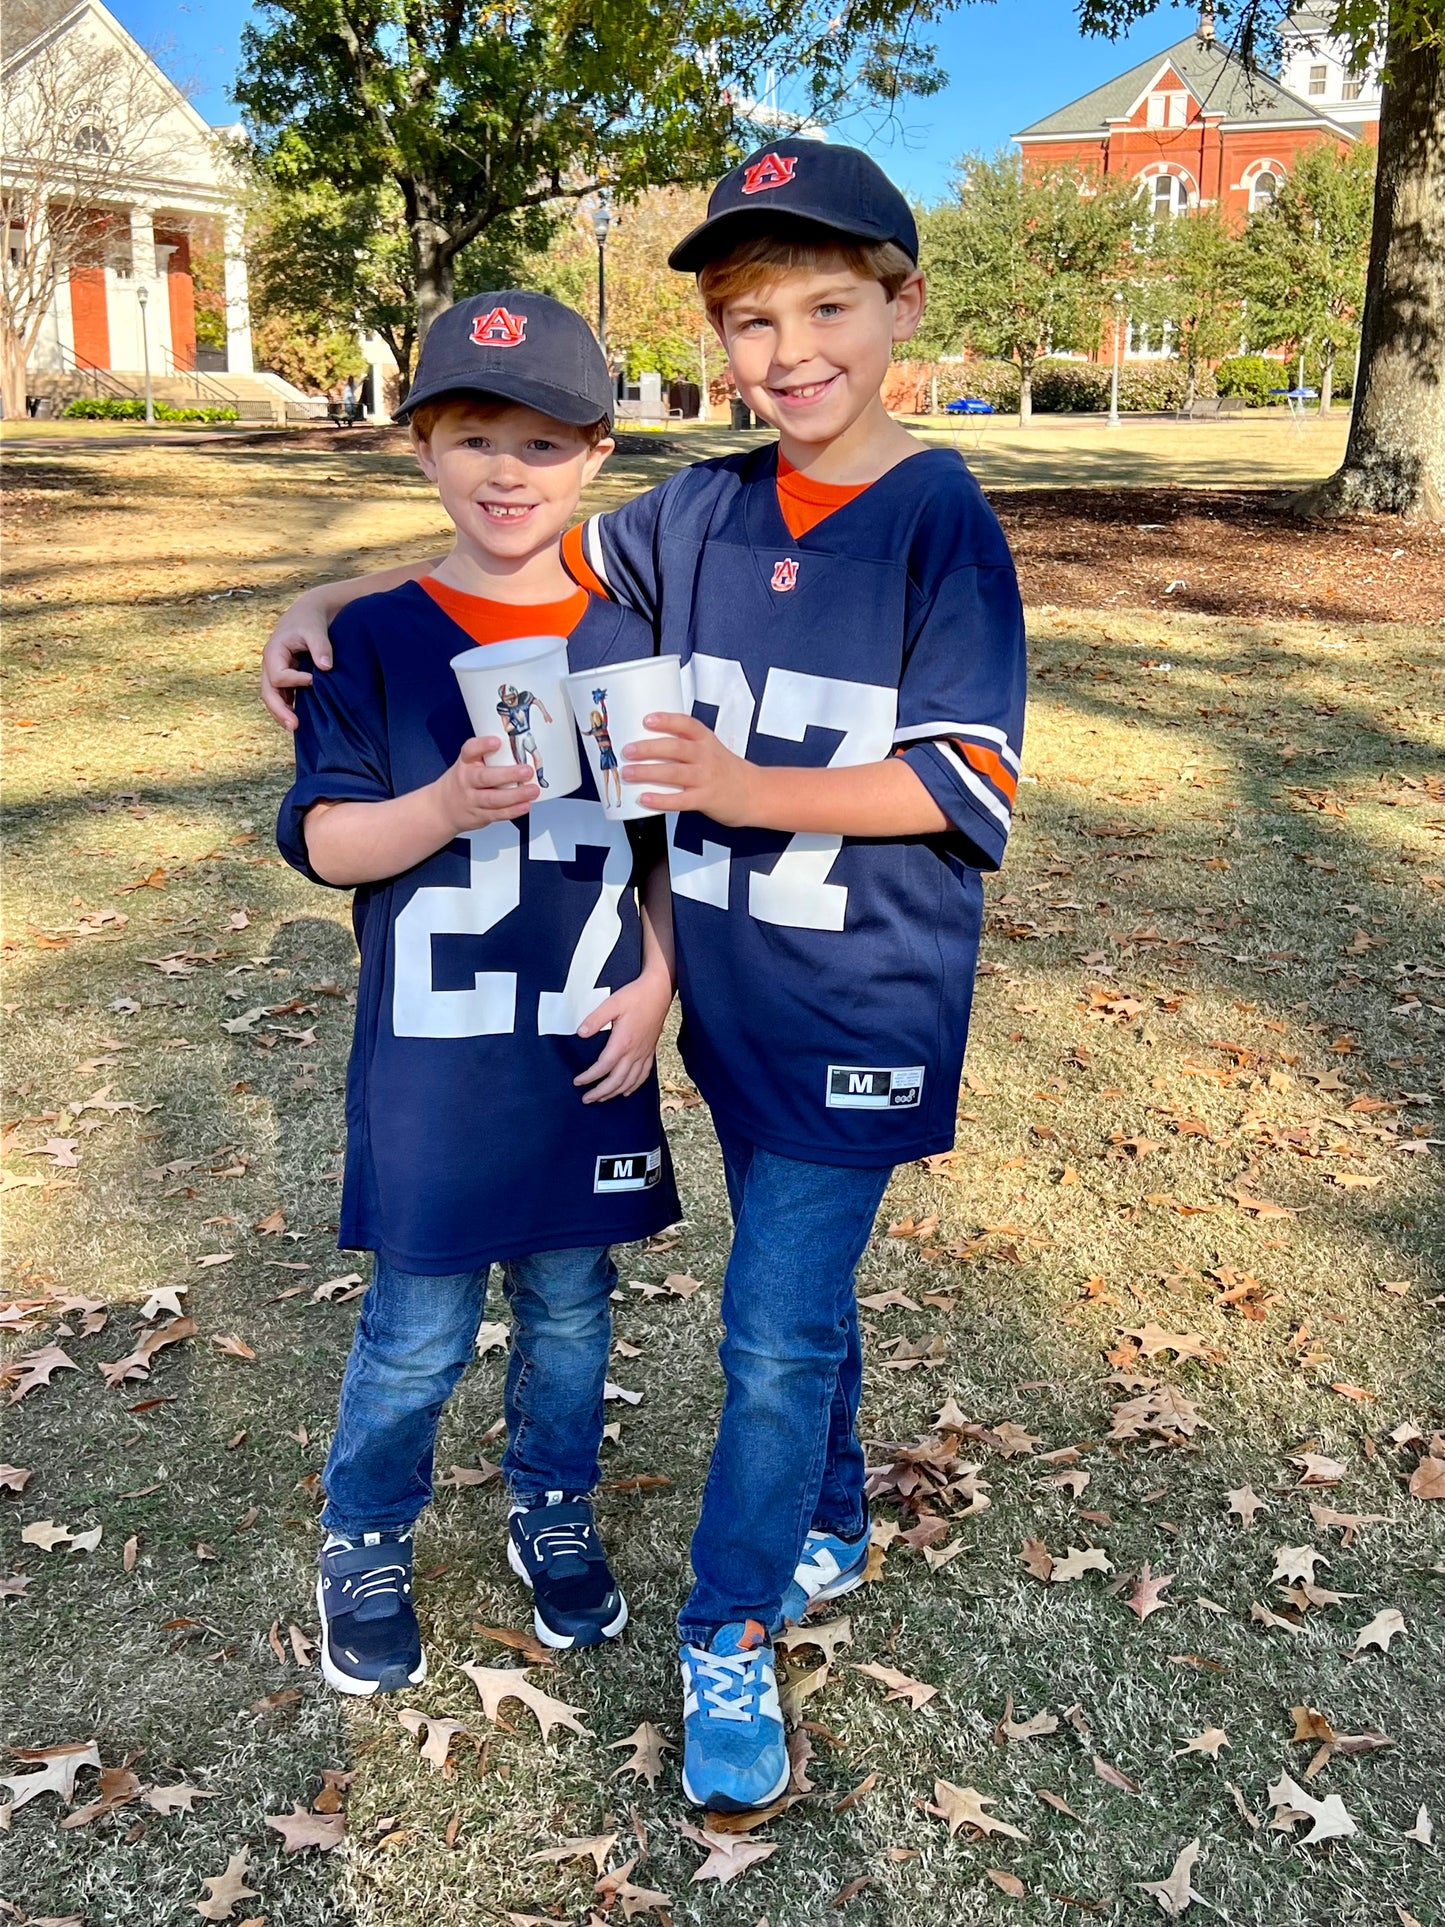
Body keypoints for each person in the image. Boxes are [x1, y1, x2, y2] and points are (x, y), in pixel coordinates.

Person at [260, 142, 1026, 1811]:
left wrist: (739, 792)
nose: (788, 353)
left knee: (765, 1333)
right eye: (748, 320)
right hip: (720, 1000)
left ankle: (725, 1635)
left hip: (852, 1006)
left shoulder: (941, 522)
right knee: (794, 1304)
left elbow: (962, 783)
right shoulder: (693, 510)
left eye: (828, 307)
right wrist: (324, 601)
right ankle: (829, 1508)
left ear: (902, 304)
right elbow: (502, 571)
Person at [275, 290, 681, 1699]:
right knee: (416, 1329)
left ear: (597, 456)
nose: (508, 472)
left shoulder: (632, 643)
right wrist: (443, 801)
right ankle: (366, 1537)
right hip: (439, 1059)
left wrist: (661, 991)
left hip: (585, 1045)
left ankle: (550, 1507)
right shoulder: (372, 641)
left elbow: (668, 855)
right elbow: (329, 844)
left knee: (574, 1310)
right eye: (471, 437)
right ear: (421, 448)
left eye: (544, 443)